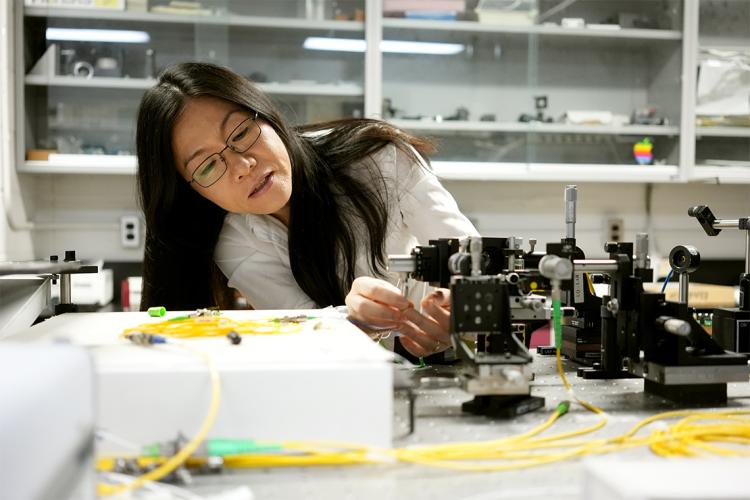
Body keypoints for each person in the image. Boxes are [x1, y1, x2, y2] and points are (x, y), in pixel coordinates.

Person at [136, 62, 478, 357]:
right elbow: (301, 332)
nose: (242, 165)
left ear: (268, 116)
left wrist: (460, 310)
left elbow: (478, 262)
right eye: (208, 167)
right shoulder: (236, 240)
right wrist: (355, 317)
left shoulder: (378, 159)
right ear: (193, 192)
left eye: (241, 133)